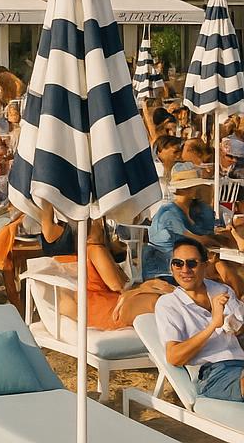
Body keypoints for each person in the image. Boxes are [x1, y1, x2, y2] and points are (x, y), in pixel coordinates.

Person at [155, 237, 244, 404]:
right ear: (171, 267)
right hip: (212, 373)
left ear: (205, 265)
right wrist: (213, 325)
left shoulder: (221, 290)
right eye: (178, 263)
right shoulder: (169, 304)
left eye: (192, 263)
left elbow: (239, 327)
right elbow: (174, 357)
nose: (185, 269)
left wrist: (235, 324)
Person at [52, 218, 173, 329]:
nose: (103, 225)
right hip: (109, 308)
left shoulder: (84, 251)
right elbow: (118, 286)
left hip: (96, 309)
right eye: (98, 221)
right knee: (159, 302)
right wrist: (144, 288)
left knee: (166, 299)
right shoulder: (95, 249)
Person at [144, 165, 244, 293]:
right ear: (190, 189)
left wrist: (225, 236)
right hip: (168, 265)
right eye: (197, 186)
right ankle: (237, 301)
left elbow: (210, 233)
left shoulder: (196, 209)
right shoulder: (168, 214)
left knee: (222, 265)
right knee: (221, 265)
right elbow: (200, 239)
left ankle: (237, 302)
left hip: (192, 258)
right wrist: (225, 240)